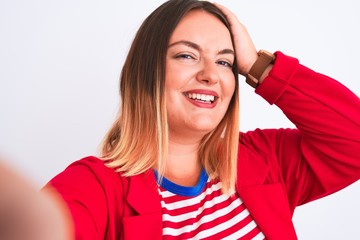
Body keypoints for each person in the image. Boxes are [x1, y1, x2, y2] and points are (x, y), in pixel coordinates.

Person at [1, 0, 359, 239]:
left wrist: (257, 65)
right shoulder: (95, 186)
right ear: (146, 74)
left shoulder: (265, 158)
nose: (211, 75)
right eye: (187, 56)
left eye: (224, 61)